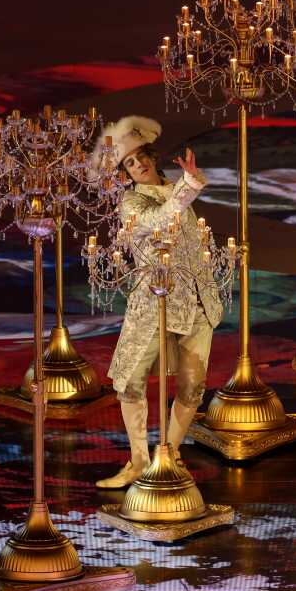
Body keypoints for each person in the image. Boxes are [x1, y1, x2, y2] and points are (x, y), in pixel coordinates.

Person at [94, 116, 224, 489]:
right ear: (125, 172)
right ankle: (137, 461)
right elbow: (162, 219)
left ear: (152, 157)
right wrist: (190, 184)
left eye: (141, 157)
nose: (139, 165)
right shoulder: (132, 202)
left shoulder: (171, 187)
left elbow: (189, 237)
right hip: (153, 304)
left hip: (197, 301)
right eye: (130, 163)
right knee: (130, 381)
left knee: (192, 387)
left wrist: (185, 184)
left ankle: (170, 452)